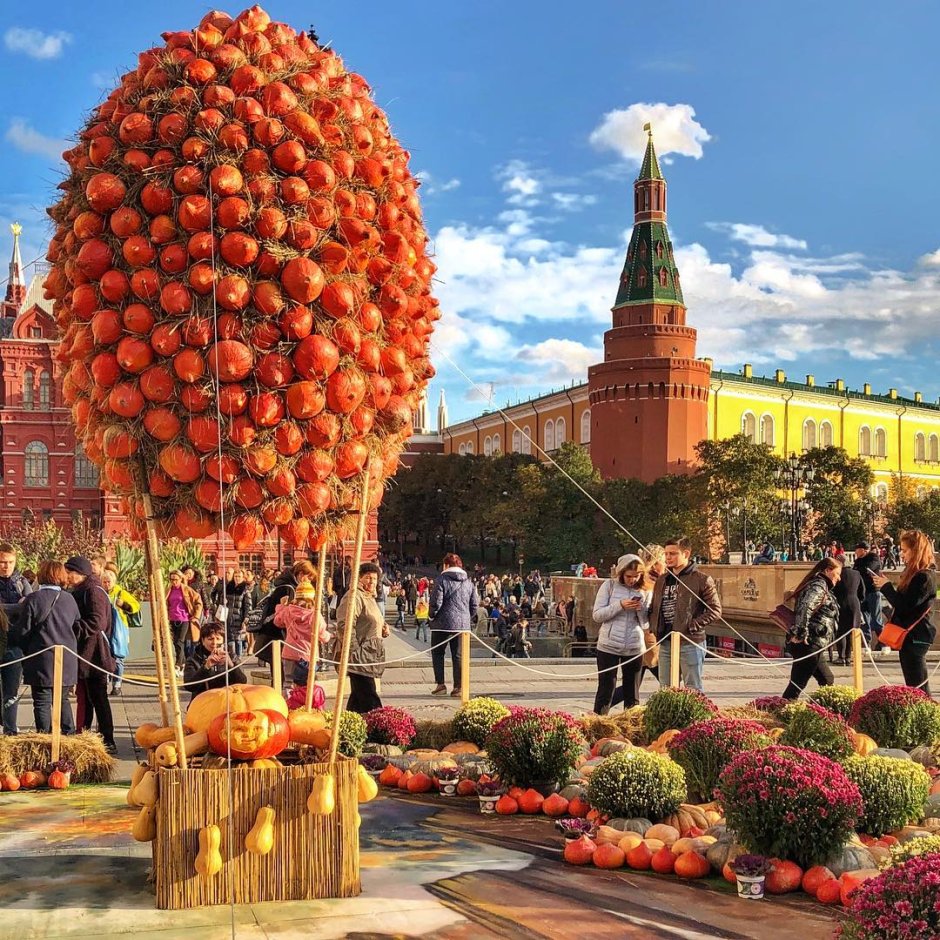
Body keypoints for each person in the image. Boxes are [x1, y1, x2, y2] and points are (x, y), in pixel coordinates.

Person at [8, 560, 80, 734]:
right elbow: (77, 627)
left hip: (40, 659)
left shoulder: (34, 599)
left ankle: (45, 738)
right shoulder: (69, 599)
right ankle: (68, 736)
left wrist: (23, 647)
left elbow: (23, 631)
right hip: (67, 659)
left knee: (41, 701)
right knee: (62, 700)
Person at [650, 537, 721, 691]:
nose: (668, 557)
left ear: (686, 554)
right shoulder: (662, 579)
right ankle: (669, 715)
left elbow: (715, 610)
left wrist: (693, 625)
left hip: (690, 641)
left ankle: (695, 715)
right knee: (665, 687)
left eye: (673, 554)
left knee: (692, 687)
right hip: (665, 640)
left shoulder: (702, 580)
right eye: (666, 554)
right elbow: (654, 607)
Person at [871, 530, 937, 693]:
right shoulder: (916, 575)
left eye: (905, 550)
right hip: (910, 635)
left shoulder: (924, 577)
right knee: (914, 685)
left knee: (918, 687)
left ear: (916, 551)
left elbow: (905, 606)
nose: (901, 554)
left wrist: (886, 587)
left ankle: (926, 716)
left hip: (916, 636)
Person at [65, 556, 117, 754]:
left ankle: (107, 739)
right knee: (87, 698)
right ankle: (85, 735)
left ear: (81, 574)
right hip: (87, 654)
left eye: (70, 572)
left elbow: (98, 622)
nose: (68, 576)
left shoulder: (93, 591)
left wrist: (72, 628)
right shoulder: (83, 590)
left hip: (95, 655)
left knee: (98, 698)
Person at [591, 554, 652, 714]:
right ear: (621, 573)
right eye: (628, 576)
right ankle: (599, 724)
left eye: (636, 576)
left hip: (634, 645)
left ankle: (631, 727)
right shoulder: (609, 586)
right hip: (608, 645)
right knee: (606, 688)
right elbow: (597, 615)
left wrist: (640, 610)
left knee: (632, 692)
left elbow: (646, 623)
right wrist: (619, 606)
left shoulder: (645, 591)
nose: (632, 580)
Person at [781, 558, 841, 699]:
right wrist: (801, 632)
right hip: (810, 643)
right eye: (837, 573)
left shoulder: (819, 585)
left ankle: (824, 714)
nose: (839, 578)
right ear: (827, 570)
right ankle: (780, 713)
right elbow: (805, 607)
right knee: (802, 684)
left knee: (822, 680)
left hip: (813, 643)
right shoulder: (818, 587)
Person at [336, 563, 388, 713]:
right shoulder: (354, 596)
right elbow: (344, 624)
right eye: (368, 578)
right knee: (369, 697)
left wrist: (383, 627)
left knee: (359, 697)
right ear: (359, 578)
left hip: (370, 654)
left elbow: (370, 619)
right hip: (360, 655)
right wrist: (353, 651)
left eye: (374, 578)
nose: (372, 582)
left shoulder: (369, 596)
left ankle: (349, 724)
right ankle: (380, 725)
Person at [428, 553, 479, 697]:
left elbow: (436, 602)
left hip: (441, 623)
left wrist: (431, 615)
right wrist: (467, 616)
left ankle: (440, 684)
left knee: (438, 653)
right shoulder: (468, 582)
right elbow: (474, 604)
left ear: (446, 565)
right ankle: (458, 687)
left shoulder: (441, 580)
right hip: (462, 625)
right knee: (458, 655)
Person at [255, 560, 317, 667]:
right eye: (309, 578)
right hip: (278, 636)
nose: (309, 582)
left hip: (270, 635)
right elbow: (288, 617)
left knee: (278, 673)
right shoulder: (291, 589)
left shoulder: (283, 585)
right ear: (301, 575)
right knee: (283, 675)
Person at [0, 541, 33, 735]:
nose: (6, 566)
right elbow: (22, 606)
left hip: (15, 645)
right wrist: (17, 607)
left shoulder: (22, 582)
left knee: (11, 693)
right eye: (3, 562)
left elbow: (29, 606)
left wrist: (6, 608)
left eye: (10, 562)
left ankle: (10, 732)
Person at [274, 579, 329, 683]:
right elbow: (322, 635)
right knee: (306, 685)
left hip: (289, 653)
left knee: (288, 683)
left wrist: (281, 606)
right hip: (307, 654)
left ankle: (289, 699)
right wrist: (330, 636)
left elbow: (277, 622)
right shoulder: (315, 615)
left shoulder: (288, 610)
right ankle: (303, 700)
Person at [101, 566, 140, 695]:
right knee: (104, 656)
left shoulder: (120, 593)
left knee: (118, 657)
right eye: (104, 582)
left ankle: (117, 684)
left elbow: (135, 606)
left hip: (119, 629)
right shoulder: (99, 593)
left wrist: (124, 605)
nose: (106, 584)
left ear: (114, 581)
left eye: (108, 582)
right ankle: (105, 682)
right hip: (104, 628)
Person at [184, 621, 247, 696]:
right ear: (203, 641)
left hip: (228, 700)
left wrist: (230, 665)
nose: (214, 642)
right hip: (203, 701)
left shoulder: (232, 656)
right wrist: (206, 667)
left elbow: (243, 682)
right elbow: (189, 686)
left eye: (218, 638)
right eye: (210, 639)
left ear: (223, 640)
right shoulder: (193, 659)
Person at [165, 569, 204, 675]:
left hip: (185, 619)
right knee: (175, 642)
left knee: (180, 641)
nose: (174, 581)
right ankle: (182, 664)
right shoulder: (168, 590)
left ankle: (178, 664)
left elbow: (198, 601)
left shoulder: (187, 589)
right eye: (171, 579)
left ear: (181, 579)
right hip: (172, 618)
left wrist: (196, 615)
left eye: (176, 579)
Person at [832, 562, 864, 667]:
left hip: (841, 603)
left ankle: (841, 657)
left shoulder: (838, 573)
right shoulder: (857, 573)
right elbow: (862, 591)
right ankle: (849, 657)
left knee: (841, 632)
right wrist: (858, 600)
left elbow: (833, 589)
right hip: (854, 604)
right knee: (852, 631)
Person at [853, 541, 883, 648]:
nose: (855, 552)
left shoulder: (873, 557)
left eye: (857, 549)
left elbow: (867, 570)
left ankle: (882, 642)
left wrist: (860, 570)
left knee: (876, 619)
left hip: (873, 592)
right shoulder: (858, 561)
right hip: (862, 593)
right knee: (864, 620)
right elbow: (856, 573)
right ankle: (866, 643)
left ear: (863, 550)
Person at [224, 569, 253, 662]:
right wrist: (222, 602)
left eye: (239, 576)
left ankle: (239, 659)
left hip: (238, 618)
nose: (237, 578)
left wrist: (246, 619)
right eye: (235, 576)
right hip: (227, 617)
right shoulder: (228, 587)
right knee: (230, 639)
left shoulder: (245, 589)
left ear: (242, 577)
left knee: (238, 639)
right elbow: (221, 600)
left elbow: (248, 606)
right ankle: (233, 658)